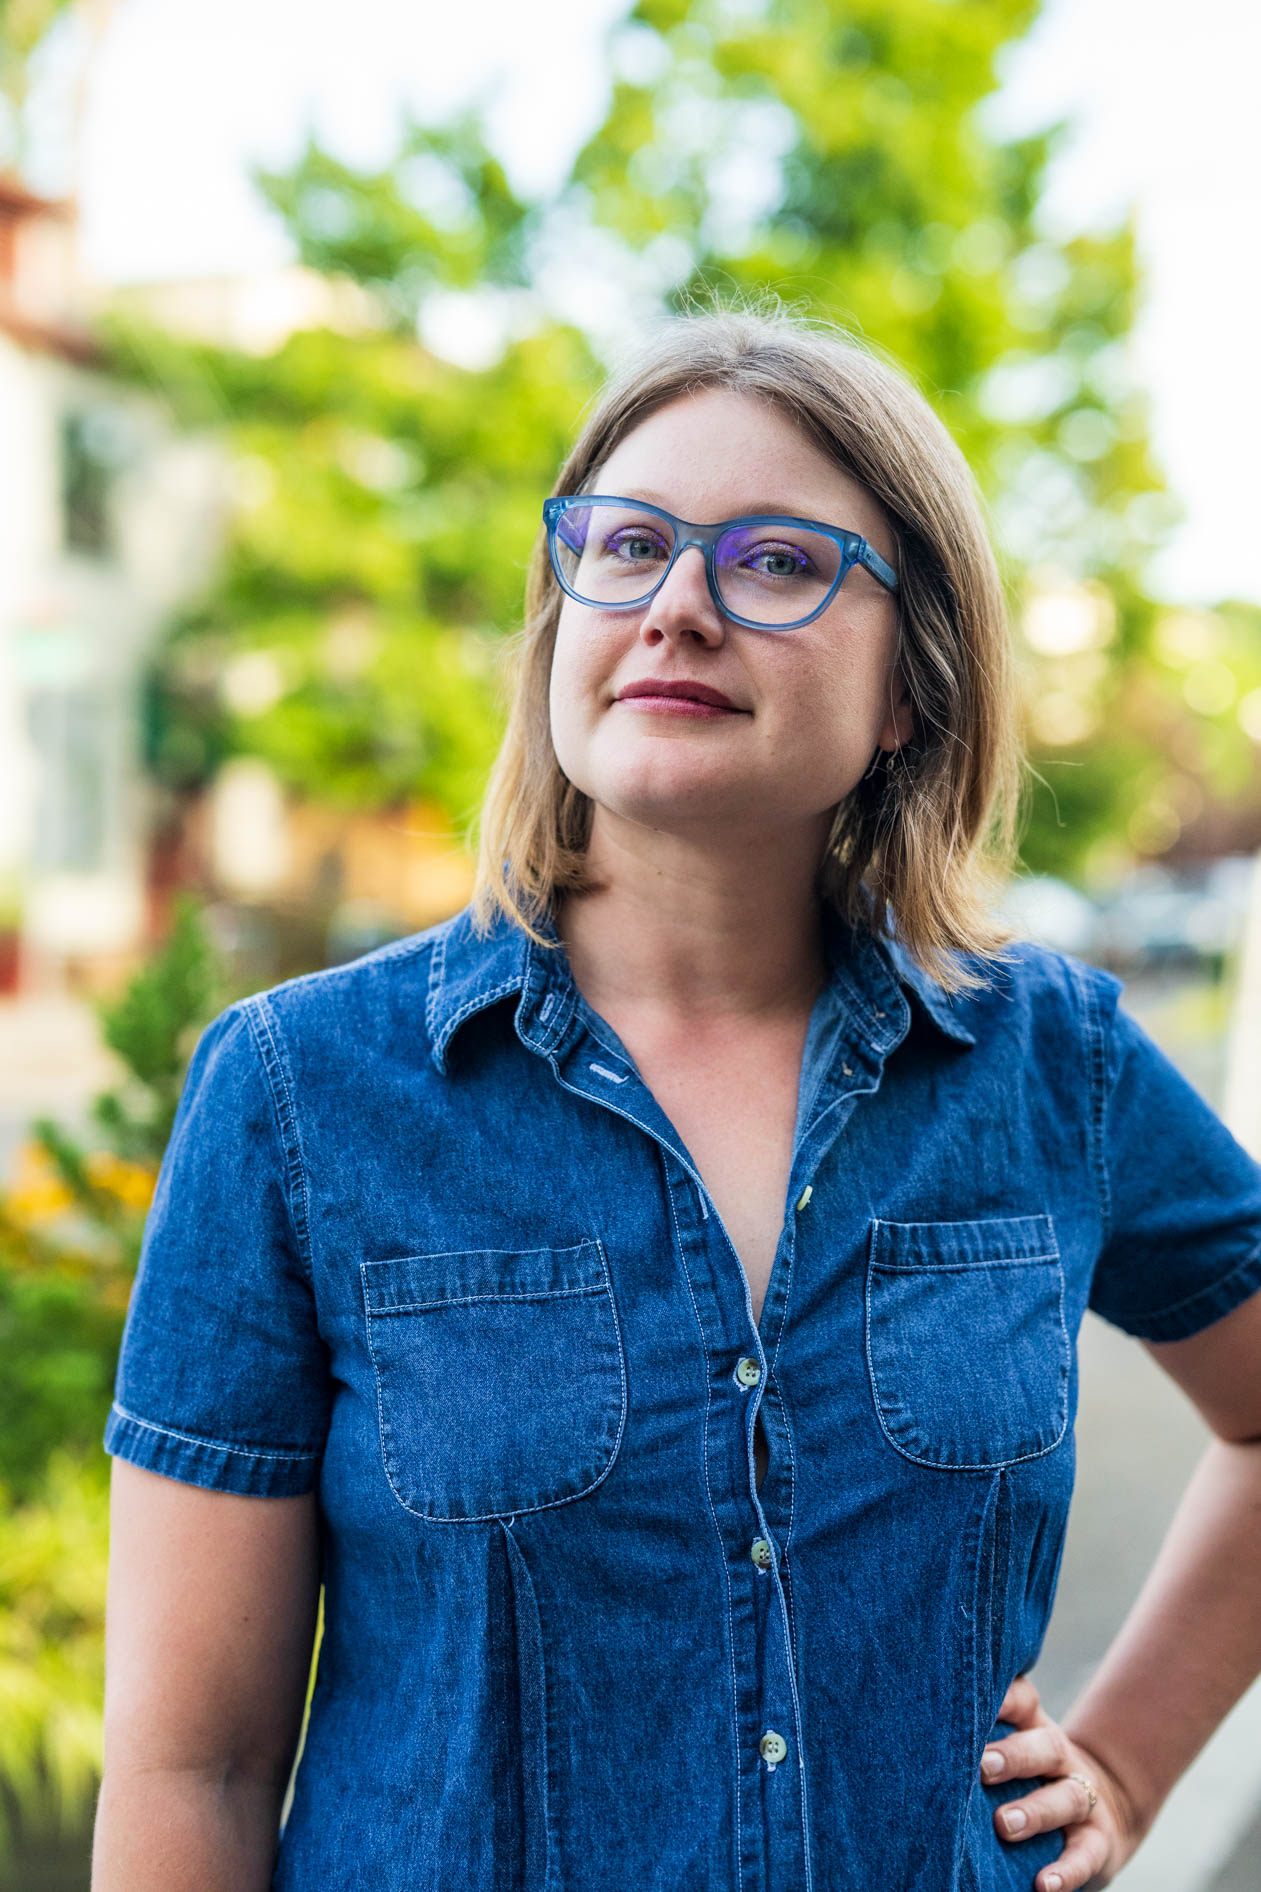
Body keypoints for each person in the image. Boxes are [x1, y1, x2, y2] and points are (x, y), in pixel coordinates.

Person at [92, 301, 1261, 1892]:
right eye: (626, 546)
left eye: (777, 562)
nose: (676, 607)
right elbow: (194, 1770)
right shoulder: (300, 1097)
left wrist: (1124, 1760)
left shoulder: (1052, 1065)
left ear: (910, 686)